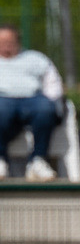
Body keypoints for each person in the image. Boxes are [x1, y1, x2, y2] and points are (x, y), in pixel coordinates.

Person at [0, 23, 64, 181]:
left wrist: (51, 100)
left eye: (9, 43)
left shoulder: (36, 59)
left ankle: (38, 161)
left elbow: (53, 83)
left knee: (45, 108)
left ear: (18, 43)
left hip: (33, 100)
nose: (5, 47)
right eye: (1, 43)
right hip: (3, 101)